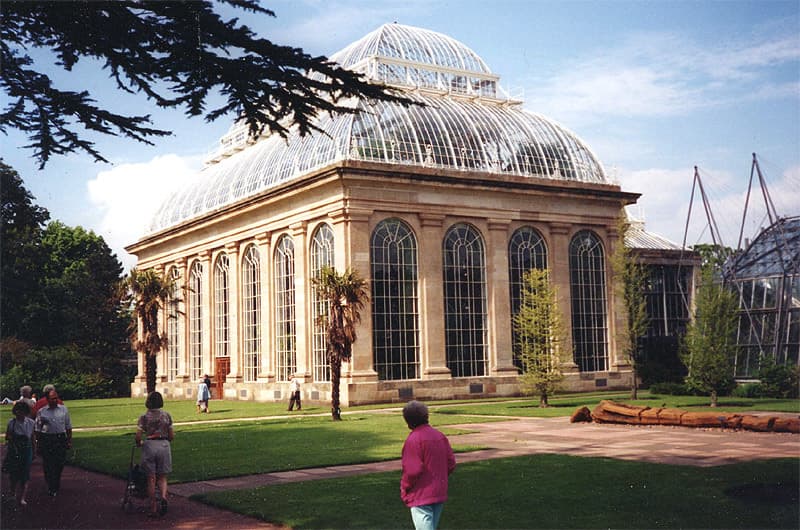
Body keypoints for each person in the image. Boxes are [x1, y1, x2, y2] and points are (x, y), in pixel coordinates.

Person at [400, 400, 456, 530]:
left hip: (420, 494)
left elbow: (412, 471)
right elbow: (450, 463)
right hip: (439, 490)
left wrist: (404, 487)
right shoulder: (440, 436)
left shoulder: (413, 440)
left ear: (408, 421)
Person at [135, 391, 174, 517]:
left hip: (150, 445)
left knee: (151, 478)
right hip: (164, 445)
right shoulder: (166, 415)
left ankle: (153, 507)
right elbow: (171, 435)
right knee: (162, 477)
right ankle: (163, 497)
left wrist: (140, 442)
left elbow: (138, 435)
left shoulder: (144, 417)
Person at [34, 390, 72, 497]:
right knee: (48, 464)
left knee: (59, 463)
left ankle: (55, 483)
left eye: (56, 398)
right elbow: (37, 428)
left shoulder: (64, 409)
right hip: (47, 438)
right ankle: (51, 485)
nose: (55, 400)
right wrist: (38, 443)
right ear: (47, 399)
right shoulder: (42, 412)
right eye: (52, 398)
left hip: (60, 438)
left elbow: (68, 426)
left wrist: (69, 440)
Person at [5, 401, 36, 506]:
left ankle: (22, 497)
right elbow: (7, 436)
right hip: (15, 450)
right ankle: (12, 494)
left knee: (25, 474)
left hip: (26, 450)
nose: (19, 413)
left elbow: (32, 438)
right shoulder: (12, 422)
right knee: (14, 474)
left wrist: (34, 451)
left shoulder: (31, 423)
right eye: (17, 411)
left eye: (22, 411)